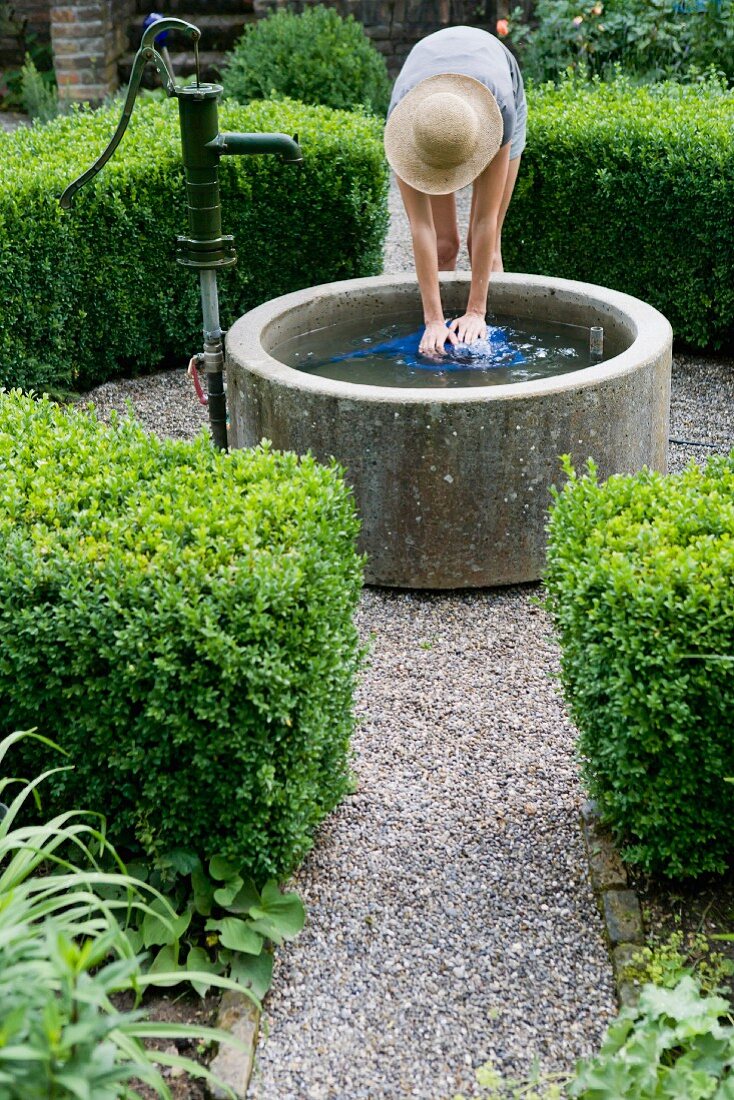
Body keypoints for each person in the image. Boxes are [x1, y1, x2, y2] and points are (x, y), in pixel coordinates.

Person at [384, 25, 526, 357]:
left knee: (487, 249)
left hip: (495, 78)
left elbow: (484, 219)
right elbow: (421, 228)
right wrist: (433, 320)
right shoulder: (404, 127)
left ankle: (488, 331)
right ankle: (440, 328)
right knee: (445, 245)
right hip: (426, 95)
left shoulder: (499, 112)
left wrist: (475, 311)